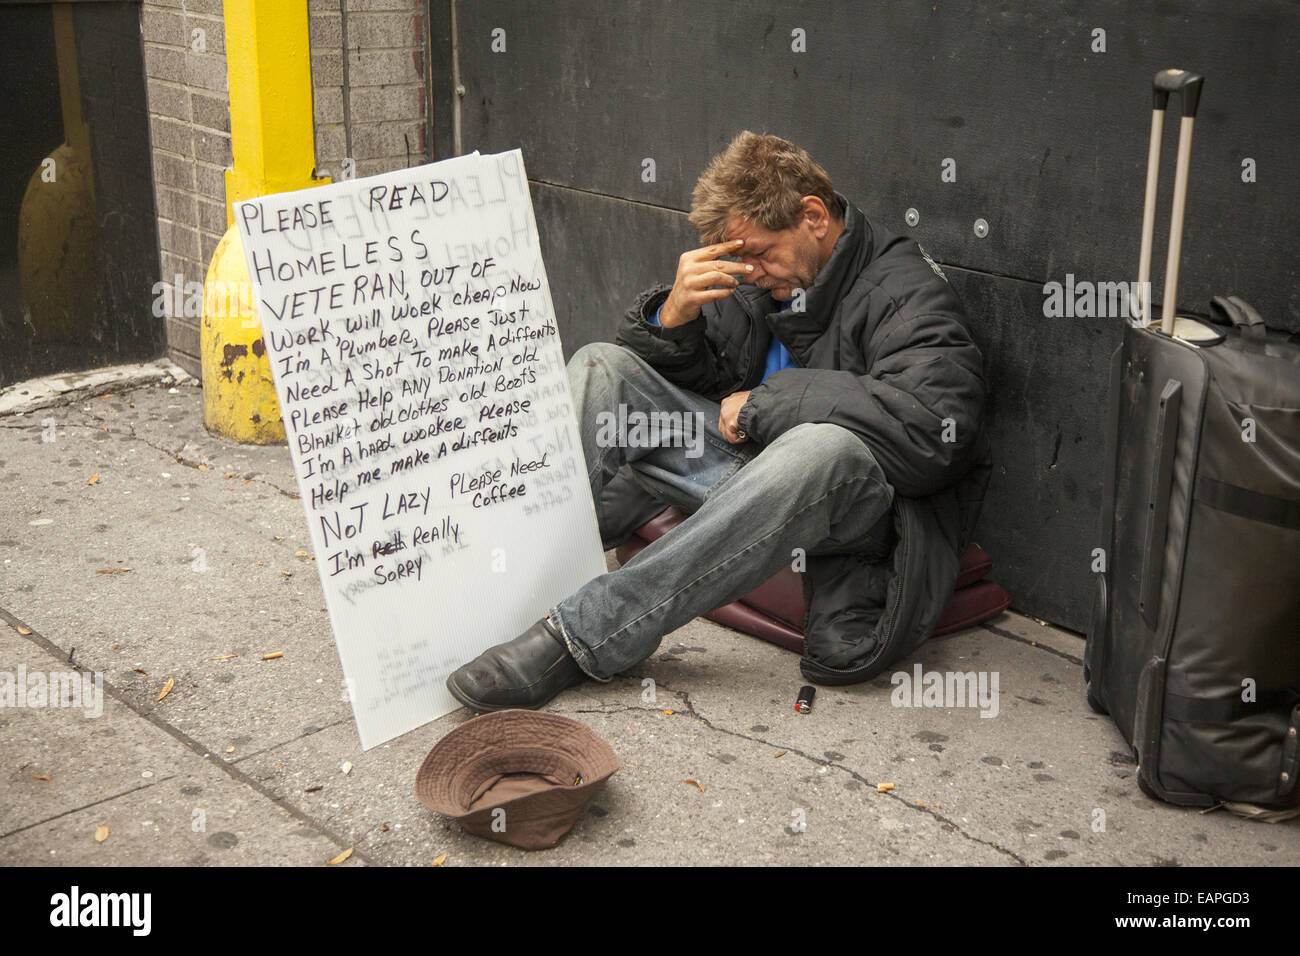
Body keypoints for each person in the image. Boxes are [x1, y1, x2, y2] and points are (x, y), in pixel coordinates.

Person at [447, 131, 991, 712]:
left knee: (821, 447)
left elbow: (936, 428)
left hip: (852, 509)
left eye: (758, 252)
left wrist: (766, 402)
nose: (750, 270)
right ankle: (498, 591)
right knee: (603, 367)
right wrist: (674, 317)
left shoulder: (903, 290)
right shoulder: (761, 278)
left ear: (812, 215)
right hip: (749, 477)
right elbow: (711, 385)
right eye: (739, 256)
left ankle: (582, 638)